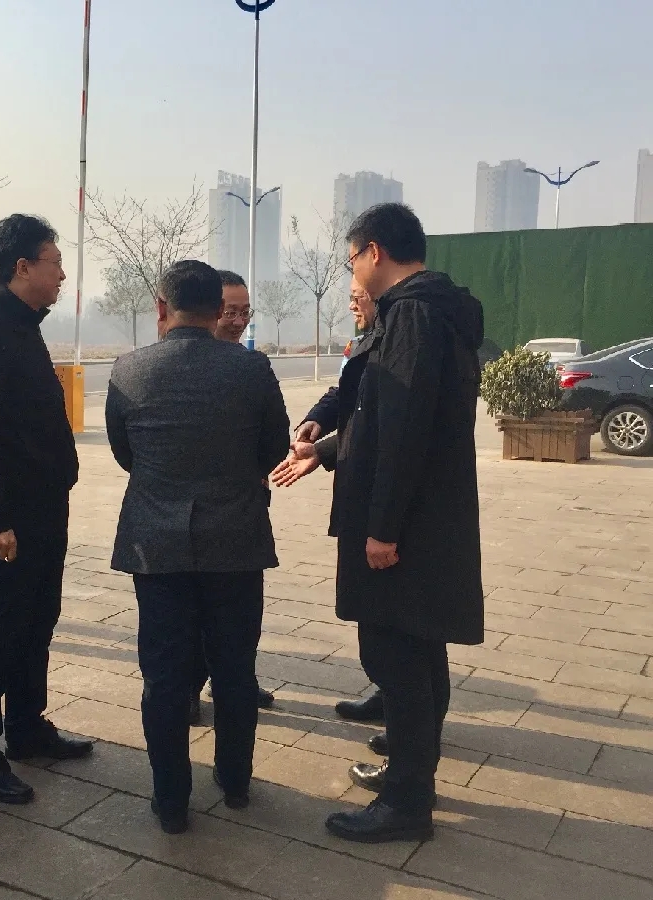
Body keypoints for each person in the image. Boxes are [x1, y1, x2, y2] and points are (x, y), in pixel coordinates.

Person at [271, 203, 484, 843]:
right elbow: (374, 413)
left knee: (397, 659)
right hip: (426, 516)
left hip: (405, 524)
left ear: (374, 252)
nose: (353, 274)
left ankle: (407, 803)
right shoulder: (429, 311)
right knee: (418, 651)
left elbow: (403, 429)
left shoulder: (412, 315)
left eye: (351, 260)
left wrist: (384, 528)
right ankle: (411, 779)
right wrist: (326, 447)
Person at [106, 260, 290, 834]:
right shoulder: (252, 368)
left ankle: (171, 801)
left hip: (156, 544)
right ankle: (235, 782)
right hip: (235, 539)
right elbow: (273, 448)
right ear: (218, 310)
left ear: (162, 307)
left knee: (164, 676)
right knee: (235, 667)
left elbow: (124, 451)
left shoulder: (129, 369)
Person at [0, 214, 93, 806]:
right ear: (23, 267)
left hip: (43, 509)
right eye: (55, 263)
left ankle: (27, 727)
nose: (62, 275)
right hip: (8, 519)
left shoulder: (23, 325)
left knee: (37, 621)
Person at [289, 280, 386, 728]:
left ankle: (407, 727)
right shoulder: (368, 339)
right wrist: (317, 419)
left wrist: (323, 451)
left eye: (357, 297)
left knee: (392, 622)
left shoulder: (397, 343)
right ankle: (389, 695)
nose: (351, 305)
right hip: (361, 499)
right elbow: (346, 393)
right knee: (373, 614)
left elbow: (375, 425)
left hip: (380, 507)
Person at [180, 268, 275, 719]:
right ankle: (190, 687)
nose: (237, 322)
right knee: (191, 613)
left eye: (245, 312)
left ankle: (233, 680)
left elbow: (272, 440)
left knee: (239, 613)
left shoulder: (251, 366)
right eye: (229, 312)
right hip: (186, 517)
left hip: (240, 512)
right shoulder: (177, 365)